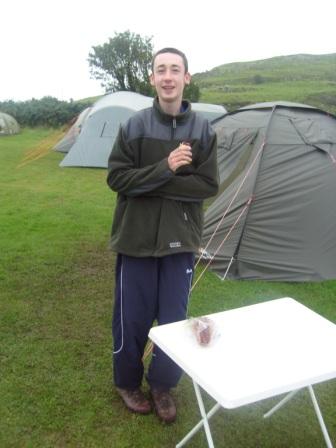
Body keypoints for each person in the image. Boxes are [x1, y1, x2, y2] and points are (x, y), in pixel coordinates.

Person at [106, 47, 219, 423]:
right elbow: (117, 179)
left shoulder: (202, 130)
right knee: (132, 319)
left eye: (175, 70)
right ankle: (126, 382)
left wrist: (155, 182)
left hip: (180, 242)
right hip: (135, 240)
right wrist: (167, 168)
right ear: (152, 79)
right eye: (160, 70)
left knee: (174, 318)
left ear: (187, 78)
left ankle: (162, 385)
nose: (167, 76)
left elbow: (206, 185)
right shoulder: (134, 126)